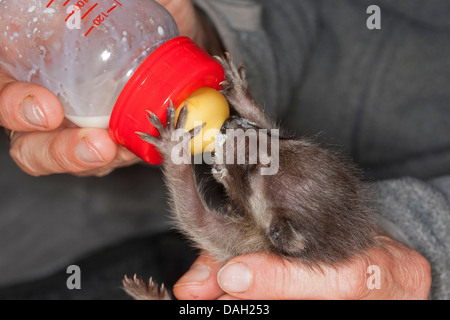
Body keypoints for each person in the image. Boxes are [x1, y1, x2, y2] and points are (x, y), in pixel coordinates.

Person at [0, 0, 447, 299]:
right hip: (45, 223)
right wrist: (219, 41)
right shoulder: (284, 203)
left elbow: (197, 217)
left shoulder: (259, 242)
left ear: (281, 236)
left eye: (249, 167)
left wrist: (177, 161)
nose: (238, 142)